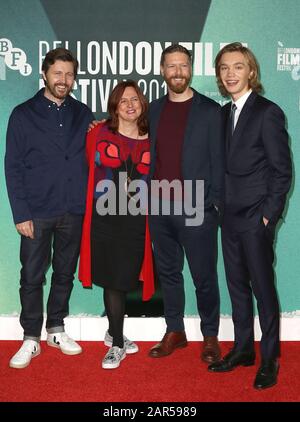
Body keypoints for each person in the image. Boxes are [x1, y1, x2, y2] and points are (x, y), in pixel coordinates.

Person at [208, 43, 292, 390]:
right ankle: (243, 349)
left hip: (256, 219)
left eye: (238, 67)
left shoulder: (268, 112)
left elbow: (281, 170)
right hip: (227, 217)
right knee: (237, 288)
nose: (230, 74)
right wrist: (217, 204)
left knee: (262, 289)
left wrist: (268, 217)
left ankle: (269, 358)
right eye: (225, 68)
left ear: (251, 72)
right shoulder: (223, 114)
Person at [5, 48, 94, 369]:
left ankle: (56, 328)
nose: (64, 80)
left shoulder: (82, 113)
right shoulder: (22, 114)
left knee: (65, 273)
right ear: (44, 74)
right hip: (37, 212)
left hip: (73, 208)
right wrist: (21, 213)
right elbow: (12, 166)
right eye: (58, 73)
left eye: (69, 74)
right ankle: (31, 337)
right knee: (31, 276)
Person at [147, 44, 224, 363]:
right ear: (162, 70)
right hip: (159, 207)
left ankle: (210, 336)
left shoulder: (210, 110)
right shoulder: (152, 109)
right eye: (171, 66)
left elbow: (220, 161)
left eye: (183, 66)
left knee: (204, 276)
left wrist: (214, 204)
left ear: (190, 69)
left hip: (197, 207)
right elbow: (125, 133)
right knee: (168, 273)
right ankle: (174, 330)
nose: (177, 72)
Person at [79, 80, 154, 369]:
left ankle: (113, 331)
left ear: (142, 103)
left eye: (134, 99)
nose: (130, 105)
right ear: (114, 106)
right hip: (104, 219)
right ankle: (118, 343)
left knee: (125, 278)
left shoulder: (152, 137)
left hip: (137, 221)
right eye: (123, 101)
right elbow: (87, 164)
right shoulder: (98, 132)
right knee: (112, 279)